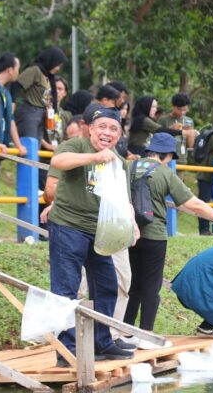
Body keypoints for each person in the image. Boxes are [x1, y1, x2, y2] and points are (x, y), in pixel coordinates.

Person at [121, 134, 213, 349]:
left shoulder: (128, 167)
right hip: (154, 235)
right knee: (151, 285)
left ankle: (127, 333)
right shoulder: (164, 173)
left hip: (129, 234)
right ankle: (147, 335)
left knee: (134, 284)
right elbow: (193, 204)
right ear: (168, 154)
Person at [46, 105, 138, 363]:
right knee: (65, 289)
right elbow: (57, 162)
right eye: (102, 127)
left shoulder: (119, 161)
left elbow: (124, 198)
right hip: (67, 226)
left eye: (113, 129)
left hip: (98, 232)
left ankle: (102, 341)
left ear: (119, 135)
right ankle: (67, 350)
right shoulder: (76, 145)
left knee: (107, 285)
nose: (107, 133)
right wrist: (93, 158)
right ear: (90, 129)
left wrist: (132, 221)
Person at [14, 46, 67, 142]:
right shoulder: (35, 70)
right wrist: (13, 102)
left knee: (36, 145)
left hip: (42, 113)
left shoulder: (48, 76)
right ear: (51, 61)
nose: (58, 68)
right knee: (30, 143)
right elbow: (16, 84)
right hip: (31, 111)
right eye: (57, 65)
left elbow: (48, 96)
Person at [127, 96, 194, 157]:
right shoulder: (144, 120)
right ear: (145, 106)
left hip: (140, 151)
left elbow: (160, 133)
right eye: (153, 107)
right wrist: (184, 132)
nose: (155, 109)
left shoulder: (142, 119)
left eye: (156, 107)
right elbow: (160, 130)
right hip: (138, 152)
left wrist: (172, 129)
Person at [157, 92, 195, 165]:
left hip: (182, 159)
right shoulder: (163, 120)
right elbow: (158, 140)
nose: (182, 112)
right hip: (165, 159)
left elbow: (190, 145)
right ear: (172, 106)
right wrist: (171, 129)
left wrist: (190, 133)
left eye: (185, 110)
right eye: (179, 109)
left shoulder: (189, 121)